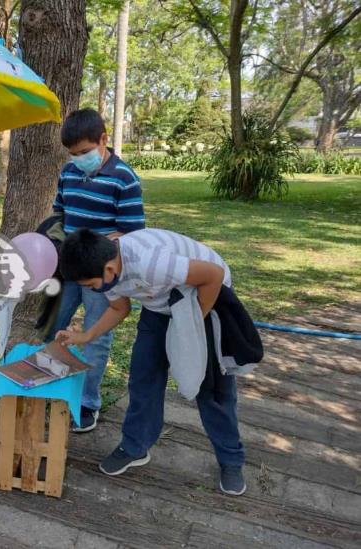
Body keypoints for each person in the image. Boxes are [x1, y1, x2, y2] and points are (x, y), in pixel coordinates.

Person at [56, 228, 250, 496]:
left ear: (110, 268)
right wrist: (86, 335)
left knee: (213, 387)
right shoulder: (108, 270)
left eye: (90, 286)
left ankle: (231, 460)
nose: (91, 291)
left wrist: (190, 328)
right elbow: (119, 308)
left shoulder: (151, 262)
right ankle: (135, 446)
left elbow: (213, 275)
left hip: (206, 296)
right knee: (143, 376)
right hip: (161, 306)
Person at [49, 108, 145, 433]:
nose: (79, 159)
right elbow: (59, 213)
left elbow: (132, 233)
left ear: (104, 140)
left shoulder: (124, 178)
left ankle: (87, 404)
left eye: (85, 152)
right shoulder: (68, 171)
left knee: (96, 336)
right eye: (73, 154)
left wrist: (95, 244)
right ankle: (51, 383)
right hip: (68, 267)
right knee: (52, 324)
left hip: (100, 274)